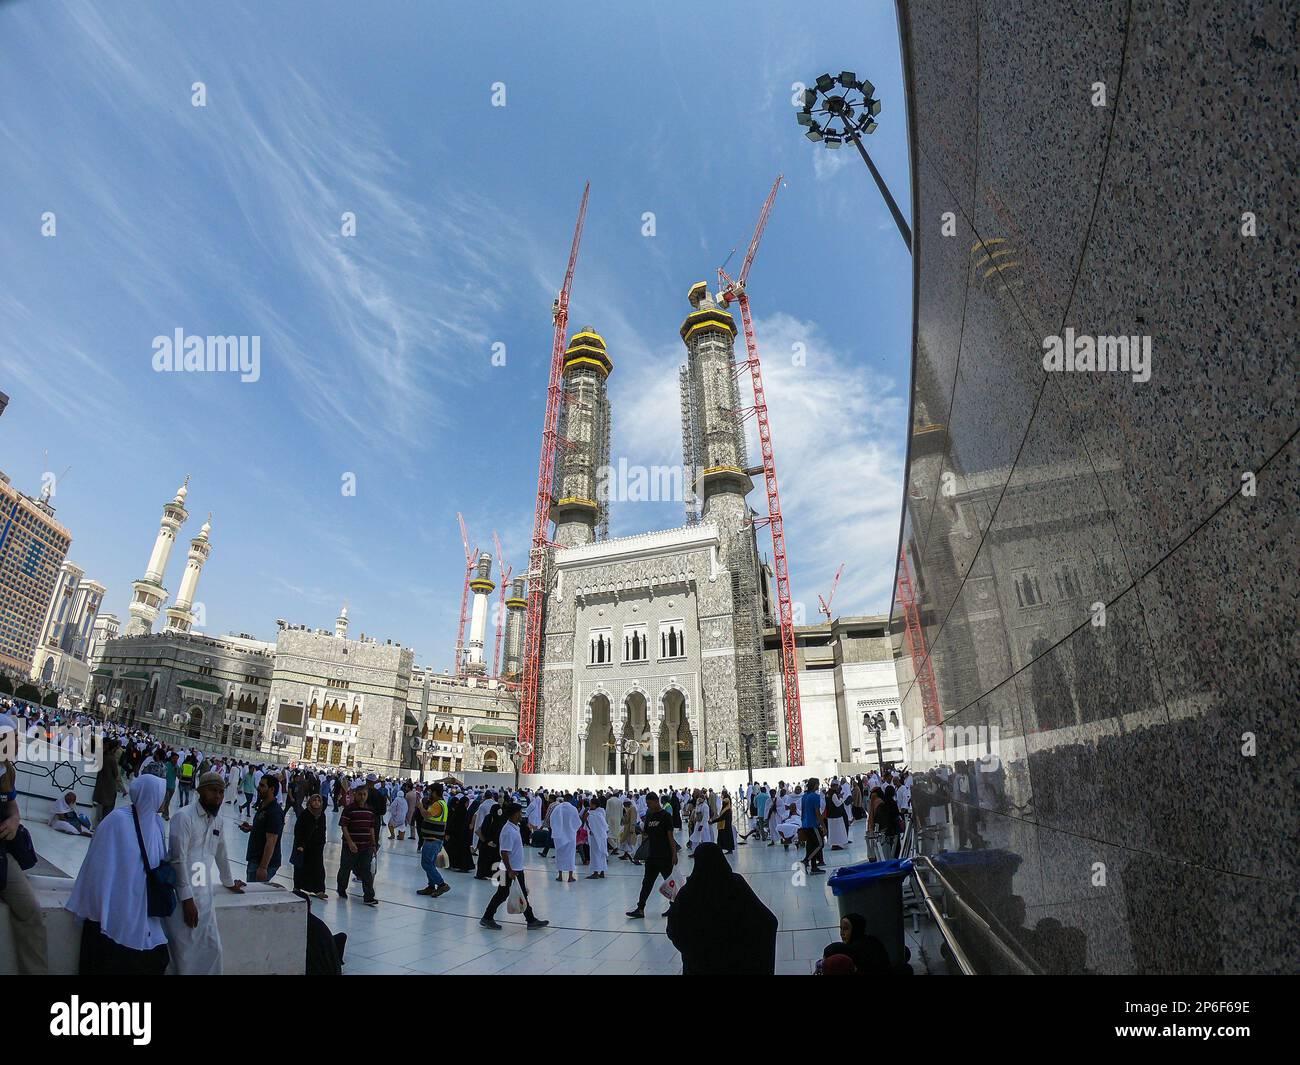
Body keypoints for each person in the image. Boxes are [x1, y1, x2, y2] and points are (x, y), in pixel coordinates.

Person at [66, 772, 171, 975]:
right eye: (160, 794)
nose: (163, 799)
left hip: (144, 907)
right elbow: (99, 866)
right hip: (115, 906)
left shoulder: (156, 824)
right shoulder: (117, 821)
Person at [164, 772, 245, 974]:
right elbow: (177, 859)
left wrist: (228, 882)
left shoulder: (217, 821)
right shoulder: (184, 817)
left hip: (204, 894)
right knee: (181, 954)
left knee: (212, 948)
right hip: (180, 896)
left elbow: (221, 852)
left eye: (221, 792)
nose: (218, 796)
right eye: (213, 791)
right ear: (200, 791)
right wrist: (187, 899)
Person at [666, 843, 777, 974]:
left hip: (701, 966)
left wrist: (695, 953)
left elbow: (674, 930)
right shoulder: (735, 883)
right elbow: (768, 920)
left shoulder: (689, 892)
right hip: (737, 964)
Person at [0, 717, 46, 974]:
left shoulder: (8, 770)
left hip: (2, 857)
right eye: (13, 738)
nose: (17, 743)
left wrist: (15, 820)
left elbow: (12, 804)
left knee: (30, 913)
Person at [479, 803, 548, 931]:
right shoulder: (508, 831)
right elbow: (504, 852)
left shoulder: (514, 827)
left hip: (516, 869)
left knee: (514, 893)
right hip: (509, 870)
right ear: (513, 814)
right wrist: (509, 870)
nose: (521, 815)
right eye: (519, 812)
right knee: (502, 894)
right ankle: (488, 917)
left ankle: (530, 919)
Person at [626, 792, 677, 919]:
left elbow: (670, 836)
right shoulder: (650, 815)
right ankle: (640, 908)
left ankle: (675, 907)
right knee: (647, 883)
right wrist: (640, 830)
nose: (648, 806)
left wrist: (674, 854)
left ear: (655, 801)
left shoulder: (665, 816)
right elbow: (646, 833)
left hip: (665, 856)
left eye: (649, 804)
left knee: (671, 883)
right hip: (652, 855)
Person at [337, 779, 378, 905]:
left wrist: (374, 844)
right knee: (345, 868)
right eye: (360, 794)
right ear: (355, 795)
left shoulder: (370, 810)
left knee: (366, 871)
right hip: (350, 846)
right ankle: (342, 889)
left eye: (364, 794)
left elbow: (371, 828)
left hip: (366, 846)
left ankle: (369, 896)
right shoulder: (349, 809)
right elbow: (344, 826)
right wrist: (350, 842)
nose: (362, 797)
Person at [240, 773, 284, 883]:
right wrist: (251, 828)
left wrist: (263, 867)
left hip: (262, 863)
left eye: (262, 785)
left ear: (272, 789)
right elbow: (265, 829)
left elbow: (271, 841)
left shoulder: (274, 812)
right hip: (256, 859)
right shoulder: (264, 805)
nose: (258, 788)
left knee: (254, 896)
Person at [823, 913, 890, 975]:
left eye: (846, 929)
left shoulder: (854, 952)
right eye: (841, 928)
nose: (842, 933)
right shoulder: (872, 940)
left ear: (855, 930)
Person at [291, 792, 329, 900]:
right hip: (304, 846)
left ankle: (319, 890)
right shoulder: (305, 814)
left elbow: (323, 830)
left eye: (318, 801)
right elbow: (299, 830)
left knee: (318, 867)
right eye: (314, 800)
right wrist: (300, 844)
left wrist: (322, 842)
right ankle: (297, 887)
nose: (316, 803)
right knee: (300, 867)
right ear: (310, 802)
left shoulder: (322, 815)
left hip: (316, 846)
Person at [416, 782, 451, 898]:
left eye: (430, 792)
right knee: (430, 863)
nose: (429, 794)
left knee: (426, 863)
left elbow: (426, 815)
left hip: (433, 840)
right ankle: (431, 886)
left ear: (435, 792)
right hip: (434, 838)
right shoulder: (442, 803)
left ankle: (441, 884)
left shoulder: (438, 805)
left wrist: (420, 807)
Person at [92, 738, 127, 826]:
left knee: (99, 809)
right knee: (107, 809)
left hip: (100, 785)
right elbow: (116, 774)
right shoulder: (111, 759)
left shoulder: (101, 756)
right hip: (109, 787)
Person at [547, 794, 581, 883]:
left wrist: (556, 830)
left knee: (559, 855)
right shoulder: (573, 809)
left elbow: (552, 820)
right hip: (570, 836)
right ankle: (570, 877)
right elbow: (577, 822)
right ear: (571, 800)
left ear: (564, 799)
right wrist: (573, 829)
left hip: (559, 836)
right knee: (571, 855)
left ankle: (560, 876)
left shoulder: (557, 808)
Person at [800, 778, 826, 874]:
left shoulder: (804, 796)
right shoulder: (815, 796)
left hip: (805, 824)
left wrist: (803, 822)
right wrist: (823, 826)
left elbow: (802, 811)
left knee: (812, 845)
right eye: (818, 784)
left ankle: (814, 867)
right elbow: (817, 813)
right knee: (820, 844)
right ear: (815, 785)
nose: (818, 786)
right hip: (813, 824)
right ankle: (806, 861)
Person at [584, 797, 609, 879]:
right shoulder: (601, 812)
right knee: (601, 853)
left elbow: (588, 823)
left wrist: (587, 815)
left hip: (595, 837)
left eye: (591, 803)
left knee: (595, 854)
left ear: (594, 805)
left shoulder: (593, 814)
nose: (589, 805)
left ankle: (595, 873)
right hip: (602, 836)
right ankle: (602, 872)